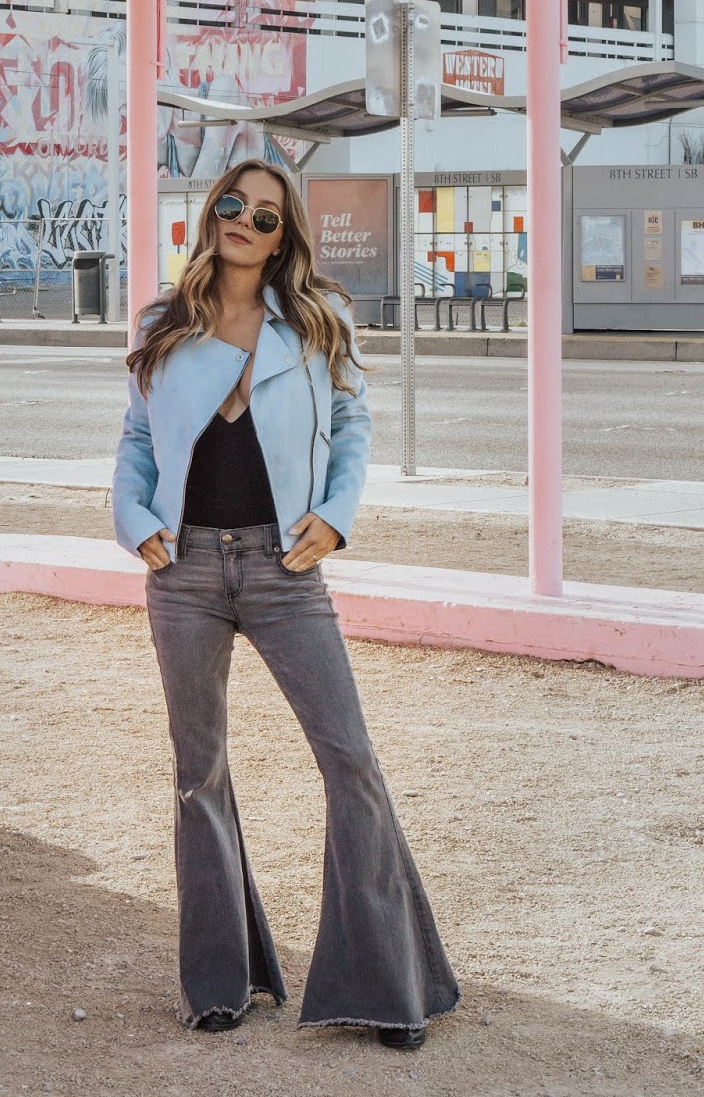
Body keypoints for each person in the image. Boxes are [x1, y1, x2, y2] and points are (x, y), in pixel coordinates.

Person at [112, 160, 459, 1047]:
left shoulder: (316, 318)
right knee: (199, 777)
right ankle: (220, 982)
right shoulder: (163, 321)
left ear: (284, 234)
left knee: (352, 765)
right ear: (212, 213)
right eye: (232, 205)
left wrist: (336, 521)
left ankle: (386, 986)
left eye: (265, 217)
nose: (244, 223)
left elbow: (352, 424)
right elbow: (137, 438)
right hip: (183, 571)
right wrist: (133, 517)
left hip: (285, 567)